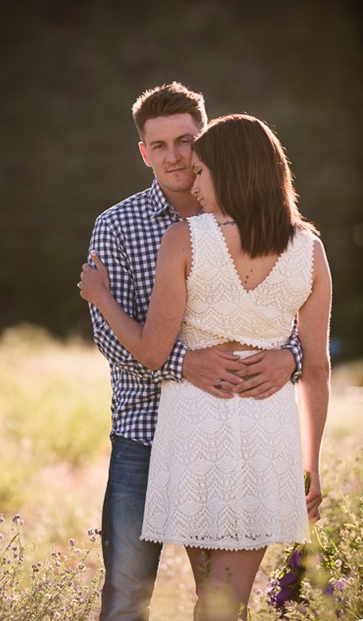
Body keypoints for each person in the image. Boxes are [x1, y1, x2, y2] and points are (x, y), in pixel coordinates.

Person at [79, 112, 332, 620]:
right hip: (265, 432)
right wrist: (312, 466)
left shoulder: (186, 238)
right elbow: (320, 368)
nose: (192, 179)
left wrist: (100, 297)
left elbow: (152, 352)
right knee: (225, 601)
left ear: (228, 170)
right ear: (144, 149)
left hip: (195, 427)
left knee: (211, 597)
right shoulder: (310, 247)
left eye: (200, 168)